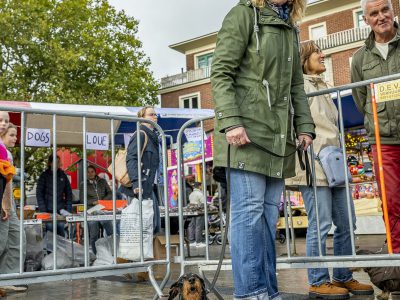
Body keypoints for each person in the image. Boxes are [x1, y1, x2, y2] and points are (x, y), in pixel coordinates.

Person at [211, 0, 316, 299]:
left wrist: (304, 126)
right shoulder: (243, 14)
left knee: (268, 218)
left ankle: (268, 292)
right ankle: (249, 293)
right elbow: (220, 72)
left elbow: (296, 83)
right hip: (245, 136)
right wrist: (231, 121)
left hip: (277, 138)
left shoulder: (290, 28)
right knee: (249, 215)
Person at [285, 41, 374, 299]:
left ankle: (343, 276)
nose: (323, 56)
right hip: (313, 164)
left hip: (333, 163)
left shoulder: (323, 86)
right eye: (317, 53)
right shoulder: (298, 87)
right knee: (320, 224)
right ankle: (318, 280)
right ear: (304, 59)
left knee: (347, 221)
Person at [351, 0, 400, 253]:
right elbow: (361, 102)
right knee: (391, 203)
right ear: (366, 20)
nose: (381, 17)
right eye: (374, 13)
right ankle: (398, 259)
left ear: (393, 11)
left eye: (385, 10)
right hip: (384, 143)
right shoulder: (359, 59)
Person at [118, 106, 161, 281]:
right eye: (151, 114)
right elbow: (131, 158)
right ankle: (125, 263)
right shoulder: (141, 134)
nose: (155, 117)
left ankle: (144, 268)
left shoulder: (153, 137)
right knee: (138, 228)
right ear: (142, 118)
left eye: (155, 114)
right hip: (138, 188)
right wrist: (136, 183)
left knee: (152, 226)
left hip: (149, 187)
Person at [0, 116, 22, 297]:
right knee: (2, 242)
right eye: (12, 135)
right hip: (4, 201)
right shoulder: (2, 152)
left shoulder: (8, 153)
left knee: (16, 239)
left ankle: (8, 279)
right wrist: (5, 205)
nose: (15, 138)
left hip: (9, 202)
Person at [79, 165, 113, 254]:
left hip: (103, 209)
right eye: (88, 172)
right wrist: (94, 202)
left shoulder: (102, 181)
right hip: (91, 211)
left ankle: (112, 251)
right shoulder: (83, 184)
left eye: (92, 171)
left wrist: (102, 201)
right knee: (94, 234)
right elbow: (83, 199)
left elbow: (110, 193)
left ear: (95, 172)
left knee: (111, 231)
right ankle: (96, 254)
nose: (90, 174)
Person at [36, 154, 73, 236]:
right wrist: (44, 211)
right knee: (50, 230)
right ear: (50, 163)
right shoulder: (44, 176)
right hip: (48, 212)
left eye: (58, 162)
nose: (57, 164)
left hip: (60, 211)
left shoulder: (63, 175)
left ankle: (60, 249)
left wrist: (68, 210)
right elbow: (39, 194)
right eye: (55, 162)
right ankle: (50, 249)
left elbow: (69, 193)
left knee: (60, 229)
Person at [187, 182, 206, 248]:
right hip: (199, 212)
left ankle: (192, 241)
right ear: (199, 186)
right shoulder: (200, 194)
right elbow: (203, 203)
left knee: (192, 226)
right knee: (198, 226)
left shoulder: (191, 194)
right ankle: (198, 242)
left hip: (192, 212)